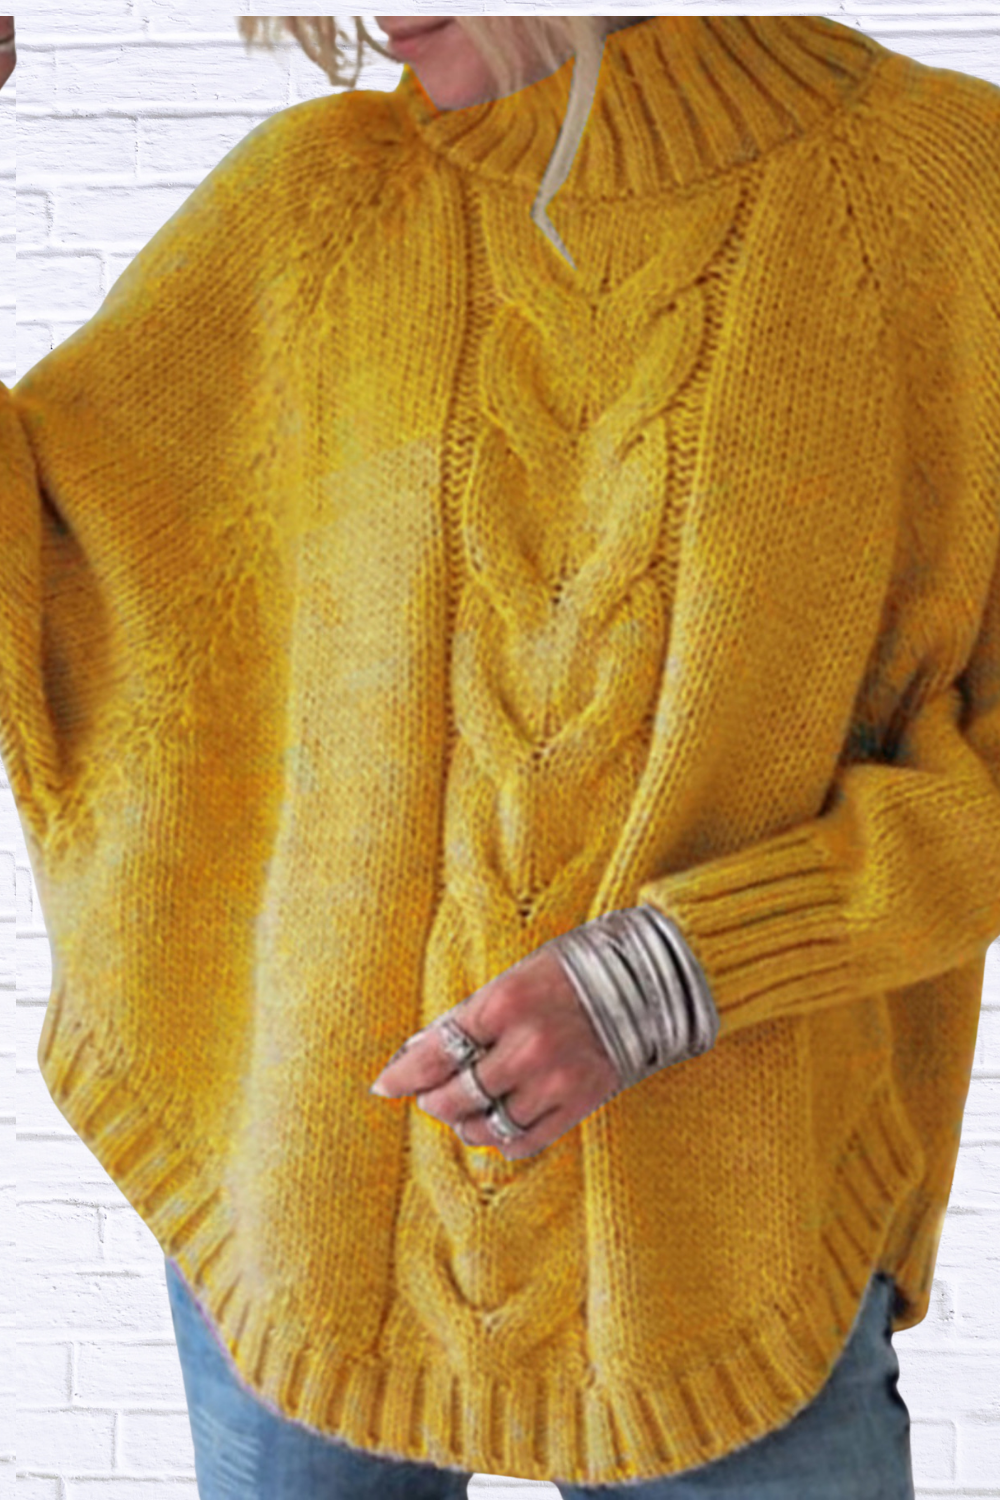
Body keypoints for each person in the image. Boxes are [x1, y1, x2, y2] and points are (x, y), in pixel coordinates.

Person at [3, 11, 1000, 1498]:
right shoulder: (318, 206)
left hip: (735, 1259)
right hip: (306, 1219)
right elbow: (47, 580)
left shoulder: (941, 197)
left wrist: (670, 976)